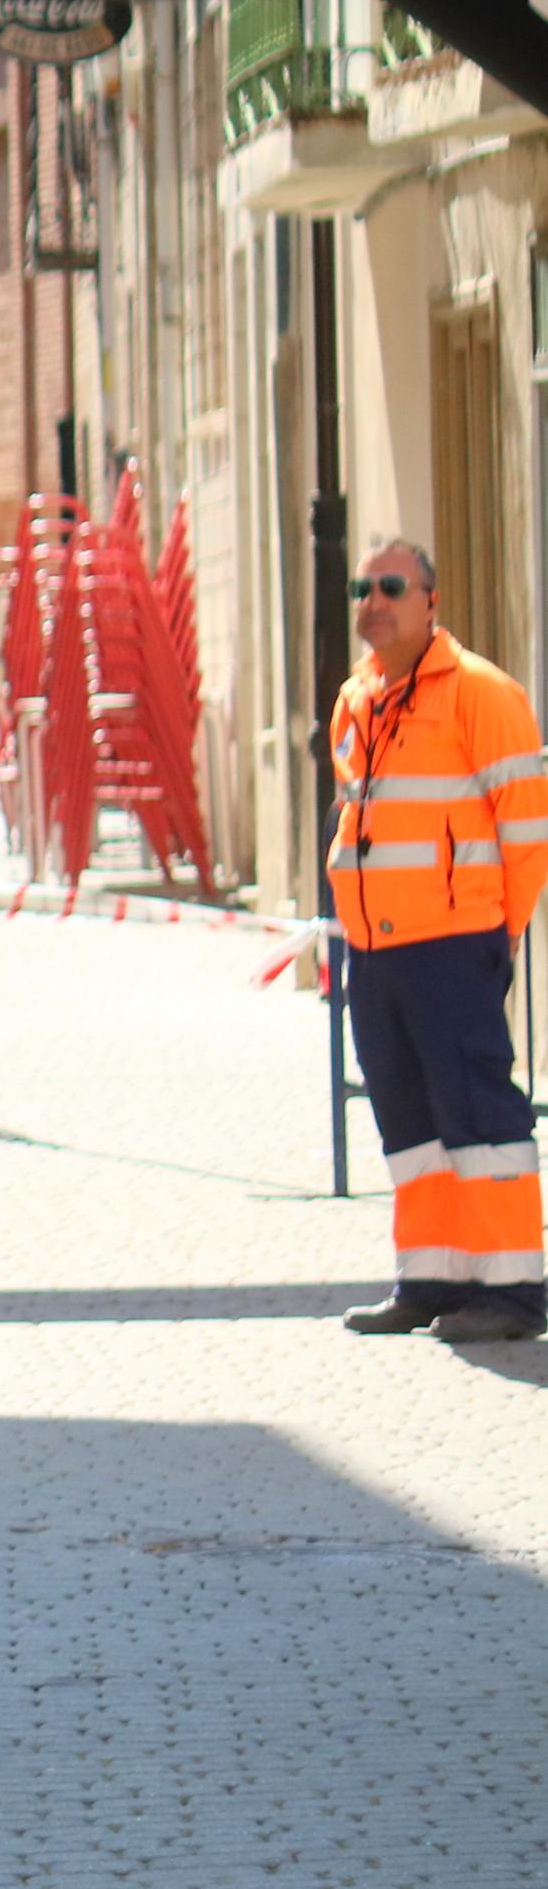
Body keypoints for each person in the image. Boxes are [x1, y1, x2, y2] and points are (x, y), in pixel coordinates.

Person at [327, 538, 548, 1346]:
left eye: (391, 585)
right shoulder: (356, 698)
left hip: (453, 940)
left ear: (431, 600)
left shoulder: (482, 693)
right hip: (375, 947)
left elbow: (526, 832)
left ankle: (514, 1290)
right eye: (363, 586)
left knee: (481, 1118)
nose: (373, 599)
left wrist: (496, 931)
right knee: (410, 1123)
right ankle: (430, 1277)